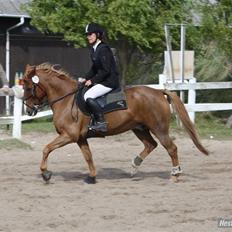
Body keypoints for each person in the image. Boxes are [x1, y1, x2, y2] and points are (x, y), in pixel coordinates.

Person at [82, 22, 120, 132]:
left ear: (97, 34)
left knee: (88, 95)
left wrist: (92, 81)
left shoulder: (103, 49)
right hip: (103, 80)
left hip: (109, 81)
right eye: (87, 35)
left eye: (90, 34)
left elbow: (106, 70)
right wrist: (85, 78)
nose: (88, 36)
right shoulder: (94, 49)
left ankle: (101, 122)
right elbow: (94, 69)